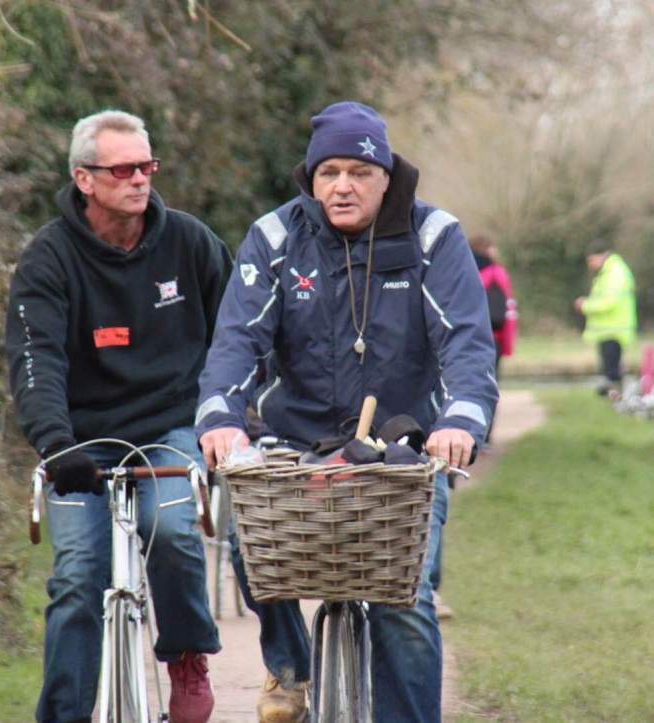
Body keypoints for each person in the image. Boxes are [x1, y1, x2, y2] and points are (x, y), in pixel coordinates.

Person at [195, 101, 499, 723]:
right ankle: (289, 668)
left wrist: (459, 423)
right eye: (328, 171)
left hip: (402, 449)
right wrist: (221, 419)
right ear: (311, 178)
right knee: (253, 544)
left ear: (386, 175)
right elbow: (236, 342)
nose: (342, 185)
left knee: (405, 601)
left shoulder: (433, 237)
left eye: (359, 171)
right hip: (294, 441)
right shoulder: (277, 237)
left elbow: (467, 342)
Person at [5, 110, 233, 723]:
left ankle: (186, 655)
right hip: (81, 442)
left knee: (176, 532)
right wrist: (55, 443)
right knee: (79, 577)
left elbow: (236, 339)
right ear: (85, 178)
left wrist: (231, 417)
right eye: (124, 169)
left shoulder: (191, 243)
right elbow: (35, 363)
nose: (140, 180)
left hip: (171, 427)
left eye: (147, 167)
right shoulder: (47, 261)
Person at [470, 233, 518, 443]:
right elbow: (506, 312)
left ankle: (468, 433)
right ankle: (485, 436)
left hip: (465, 336)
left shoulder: (460, 268)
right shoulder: (496, 273)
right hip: (492, 338)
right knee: (488, 386)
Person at [574, 238, 637, 396]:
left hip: (614, 329)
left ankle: (619, 398)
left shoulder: (615, 273)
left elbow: (609, 302)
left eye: (591, 260)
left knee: (612, 370)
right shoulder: (607, 272)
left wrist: (585, 306)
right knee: (610, 368)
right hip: (608, 330)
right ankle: (617, 397)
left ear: (603, 256)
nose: (590, 264)